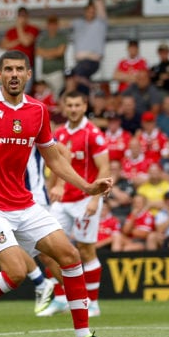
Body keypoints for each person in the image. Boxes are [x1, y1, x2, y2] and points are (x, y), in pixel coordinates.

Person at [0, 50, 115, 337]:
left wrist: (87, 187)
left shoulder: (38, 110)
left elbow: (55, 159)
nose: (14, 74)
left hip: (24, 203)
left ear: (28, 74)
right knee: (16, 273)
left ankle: (83, 336)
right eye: (8, 69)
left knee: (70, 255)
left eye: (19, 69)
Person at [46, 90, 110, 317]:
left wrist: (95, 198)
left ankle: (92, 303)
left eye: (77, 105)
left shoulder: (93, 133)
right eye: (70, 105)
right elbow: (54, 165)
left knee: (85, 250)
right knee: (50, 247)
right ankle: (61, 298)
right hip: (62, 200)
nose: (73, 109)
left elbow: (104, 167)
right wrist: (52, 188)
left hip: (85, 200)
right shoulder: (59, 133)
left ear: (85, 106)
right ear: (64, 107)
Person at [68, 0, 107, 89]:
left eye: (93, 11)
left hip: (92, 61)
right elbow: (63, 25)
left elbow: (100, 6)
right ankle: (89, 90)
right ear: (85, 12)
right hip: (80, 61)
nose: (91, 13)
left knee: (75, 76)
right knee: (76, 82)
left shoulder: (100, 24)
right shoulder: (79, 23)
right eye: (89, 11)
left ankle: (94, 87)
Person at [35, 15, 68, 97]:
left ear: (57, 25)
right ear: (47, 26)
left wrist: (46, 54)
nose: (52, 27)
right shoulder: (43, 39)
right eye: (50, 25)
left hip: (57, 72)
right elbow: (38, 52)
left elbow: (60, 52)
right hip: (44, 73)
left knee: (56, 96)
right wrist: (54, 52)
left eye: (54, 24)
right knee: (44, 96)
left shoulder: (61, 38)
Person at [0, 6, 40, 72]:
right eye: (20, 16)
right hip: (11, 65)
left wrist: (19, 27)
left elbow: (26, 42)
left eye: (23, 16)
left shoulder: (33, 29)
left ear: (27, 17)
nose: (21, 18)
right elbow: (4, 45)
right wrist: (19, 40)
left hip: (26, 66)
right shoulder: (10, 31)